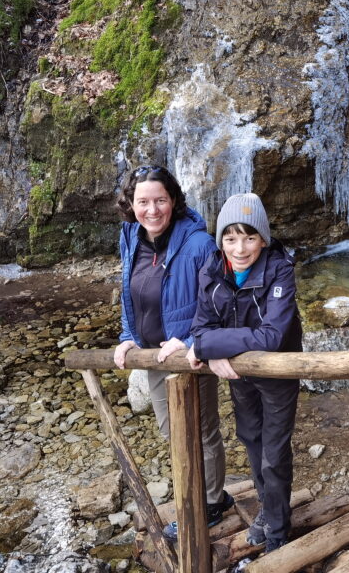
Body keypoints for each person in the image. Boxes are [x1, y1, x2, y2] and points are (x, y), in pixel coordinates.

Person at [113, 165, 233, 540]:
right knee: (172, 430)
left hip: (188, 355)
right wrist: (128, 335)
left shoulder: (199, 243)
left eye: (160, 200)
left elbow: (216, 300)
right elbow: (128, 291)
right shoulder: (130, 235)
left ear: (174, 201)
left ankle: (211, 502)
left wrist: (188, 338)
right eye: (143, 201)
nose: (152, 210)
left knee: (201, 428)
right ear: (131, 205)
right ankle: (203, 491)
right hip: (151, 353)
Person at [187, 192, 302, 552]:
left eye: (250, 237)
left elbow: (272, 335)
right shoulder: (212, 269)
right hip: (240, 375)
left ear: (263, 240)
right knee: (251, 439)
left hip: (278, 372)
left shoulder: (279, 268)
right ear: (220, 240)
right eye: (231, 237)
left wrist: (210, 348)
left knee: (274, 452)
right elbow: (199, 326)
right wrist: (213, 349)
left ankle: (279, 532)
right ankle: (268, 510)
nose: (240, 248)